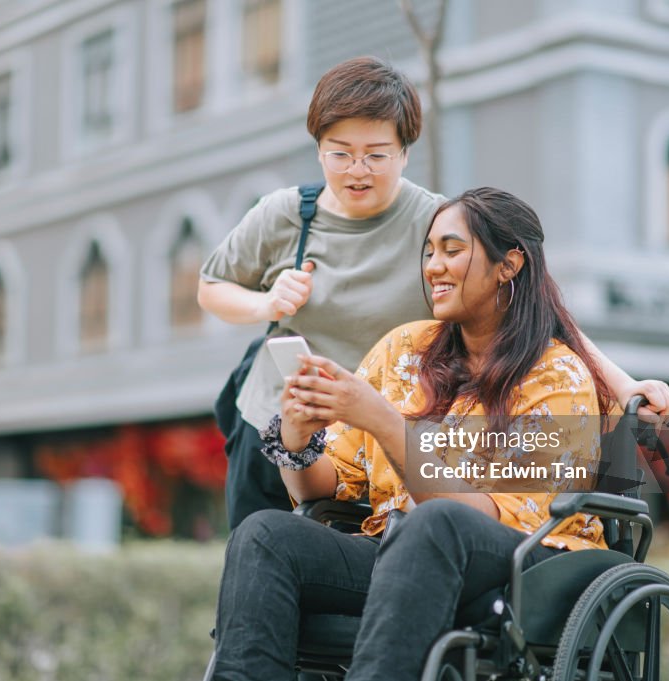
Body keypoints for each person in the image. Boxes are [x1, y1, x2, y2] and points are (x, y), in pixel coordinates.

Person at [199, 56, 669, 530]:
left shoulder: (436, 225)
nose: (357, 170)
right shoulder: (284, 214)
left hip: (376, 434)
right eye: (339, 153)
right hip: (281, 416)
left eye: (377, 154)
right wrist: (267, 303)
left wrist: (624, 385)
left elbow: (535, 309)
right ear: (319, 149)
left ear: (405, 152)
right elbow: (210, 287)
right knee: (257, 548)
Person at [211, 187, 624, 681]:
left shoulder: (556, 378)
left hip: (525, 567)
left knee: (436, 524)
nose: (433, 266)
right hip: (401, 556)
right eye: (428, 251)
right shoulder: (402, 349)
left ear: (508, 265)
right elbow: (323, 486)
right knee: (265, 534)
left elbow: (482, 517)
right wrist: (295, 439)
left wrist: (386, 422)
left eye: (452, 250)